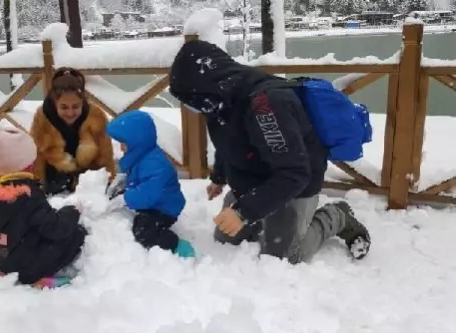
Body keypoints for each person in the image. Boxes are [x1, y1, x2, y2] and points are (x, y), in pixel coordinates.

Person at [168, 39, 371, 263]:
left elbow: (294, 173)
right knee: (226, 239)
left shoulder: (267, 106)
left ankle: (338, 215)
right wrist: (219, 176)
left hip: (295, 184)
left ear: (204, 87)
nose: (190, 106)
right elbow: (226, 139)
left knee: (287, 256)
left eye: (190, 99)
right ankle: (259, 212)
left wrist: (241, 212)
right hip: (254, 179)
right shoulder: (219, 99)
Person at [0, 127, 87, 289]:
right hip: (29, 267)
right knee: (76, 234)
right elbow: (55, 228)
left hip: (3, 261)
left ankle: (13, 269)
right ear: (26, 166)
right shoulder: (24, 195)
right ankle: (38, 279)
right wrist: (72, 211)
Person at [105, 110, 196, 258]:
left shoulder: (156, 164)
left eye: (124, 143)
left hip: (163, 207)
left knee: (144, 231)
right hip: (150, 201)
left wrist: (124, 199)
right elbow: (137, 179)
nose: (121, 148)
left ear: (137, 142)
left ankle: (175, 244)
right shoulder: (141, 155)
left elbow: (149, 194)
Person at [30, 67, 116, 195]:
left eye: (76, 106)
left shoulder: (95, 116)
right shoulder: (43, 117)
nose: (70, 113)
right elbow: (36, 155)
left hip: (88, 176)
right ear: (55, 103)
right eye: (64, 107)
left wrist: (109, 183)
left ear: (83, 102)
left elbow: (106, 154)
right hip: (55, 174)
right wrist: (37, 187)